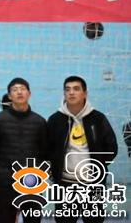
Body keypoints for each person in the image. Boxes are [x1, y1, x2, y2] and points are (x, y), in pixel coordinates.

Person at [46, 75, 118, 223]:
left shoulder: (98, 118)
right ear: (64, 94)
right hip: (65, 185)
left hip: (93, 185)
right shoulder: (55, 120)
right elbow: (46, 149)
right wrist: (53, 171)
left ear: (85, 93)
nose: (71, 92)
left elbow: (111, 148)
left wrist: (99, 166)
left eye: (76, 89)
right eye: (67, 89)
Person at [0, 77, 48, 223]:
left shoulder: (39, 121)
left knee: (33, 220)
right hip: (6, 183)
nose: (19, 92)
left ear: (29, 94)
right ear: (9, 96)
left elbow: (45, 151)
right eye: (15, 90)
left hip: (32, 183)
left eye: (23, 89)